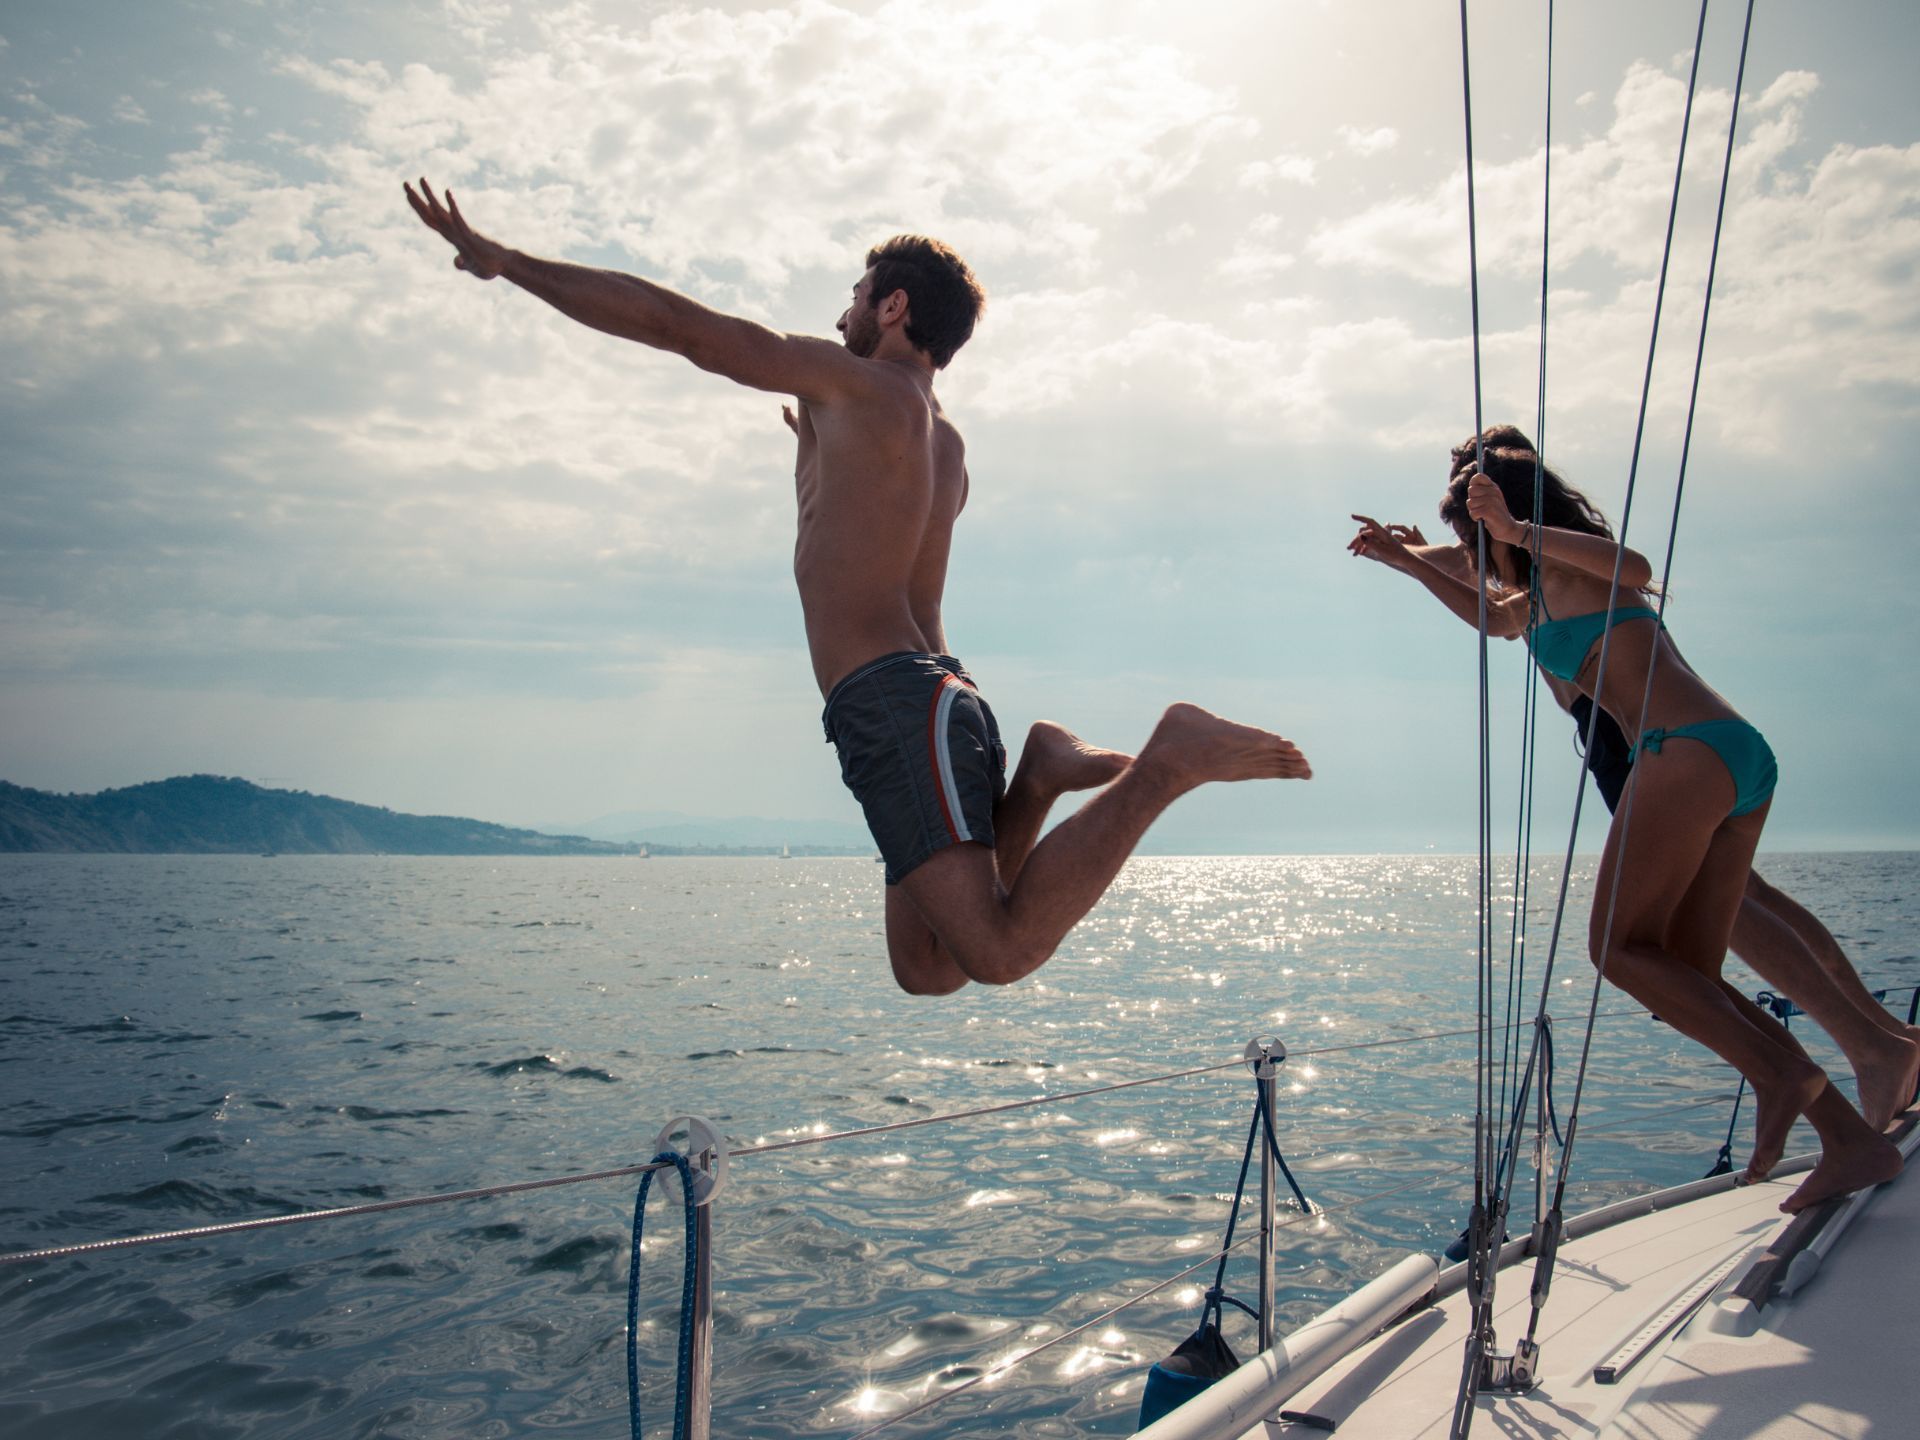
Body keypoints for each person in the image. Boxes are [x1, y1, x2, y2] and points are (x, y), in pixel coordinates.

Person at [404, 179, 1310, 996]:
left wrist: (510, 262)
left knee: (992, 954)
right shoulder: (944, 448)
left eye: (854, 293)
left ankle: (1168, 760)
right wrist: (812, 461)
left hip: (890, 702)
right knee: (925, 969)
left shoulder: (855, 387)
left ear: (893, 304)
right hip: (940, 694)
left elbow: (683, 330)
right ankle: (1033, 777)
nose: (843, 310)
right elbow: (885, 584)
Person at [1348, 432, 1900, 1213]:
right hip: (1726, 756)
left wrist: (1511, 531)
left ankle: (1796, 1074)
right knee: (1691, 977)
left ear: (1516, 515)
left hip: (1685, 752)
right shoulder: (1536, 595)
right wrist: (1408, 560)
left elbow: (1636, 569)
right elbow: (1494, 616)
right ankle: (1849, 1139)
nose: (1473, 550)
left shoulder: (1574, 565)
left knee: (1615, 947)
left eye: (1477, 536)